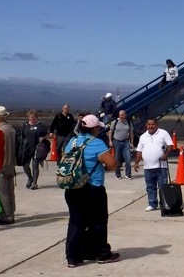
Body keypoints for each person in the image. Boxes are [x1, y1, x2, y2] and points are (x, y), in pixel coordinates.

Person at [63, 114, 120, 268]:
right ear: (94, 128)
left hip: (72, 188)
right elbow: (112, 164)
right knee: (98, 221)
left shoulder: (72, 141)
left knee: (76, 222)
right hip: (92, 189)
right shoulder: (96, 144)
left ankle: (73, 257)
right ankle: (102, 253)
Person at [134, 118, 172, 211]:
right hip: (148, 167)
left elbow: (170, 145)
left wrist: (166, 155)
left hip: (161, 166)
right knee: (150, 187)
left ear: (156, 125)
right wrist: (136, 163)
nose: (151, 126)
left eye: (153, 124)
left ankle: (164, 203)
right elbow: (139, 151)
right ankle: (152, 203)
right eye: (149, 125)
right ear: (146, 126)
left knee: (162, 186)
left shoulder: (163, 133)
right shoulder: (143, 137)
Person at [0, 106, 17, 225]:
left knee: (1, 191)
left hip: (1, 164)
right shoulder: (11, 129)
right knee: (10, 191)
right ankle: (11, 212)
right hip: (10, 163)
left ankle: (6, 215)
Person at [20, 110, 49, 190]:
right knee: (25, 165)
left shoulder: (40, 126)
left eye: (33, 117)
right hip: (26, 148)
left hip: (37, 148)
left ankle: (35, 183)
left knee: (35, 166)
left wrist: (43, 138)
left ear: (36, 117)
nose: (32, 118)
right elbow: (21, 135)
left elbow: (47, 135)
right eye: (30, 117)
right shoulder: (25, 125)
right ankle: (30, 178)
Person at [109, 110, 134, 179]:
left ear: (125, 115)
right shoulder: (115, 122)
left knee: (128, 158)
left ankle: (128, 174)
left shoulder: (128, 122)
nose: (121, 117)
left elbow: (131, 132)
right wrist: (110, 141)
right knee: (117, 158)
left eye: (123, 115)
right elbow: (110, 132)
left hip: (126, 141)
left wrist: (131, 142)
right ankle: (118, 174)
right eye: (120, 115)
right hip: (116, 141)